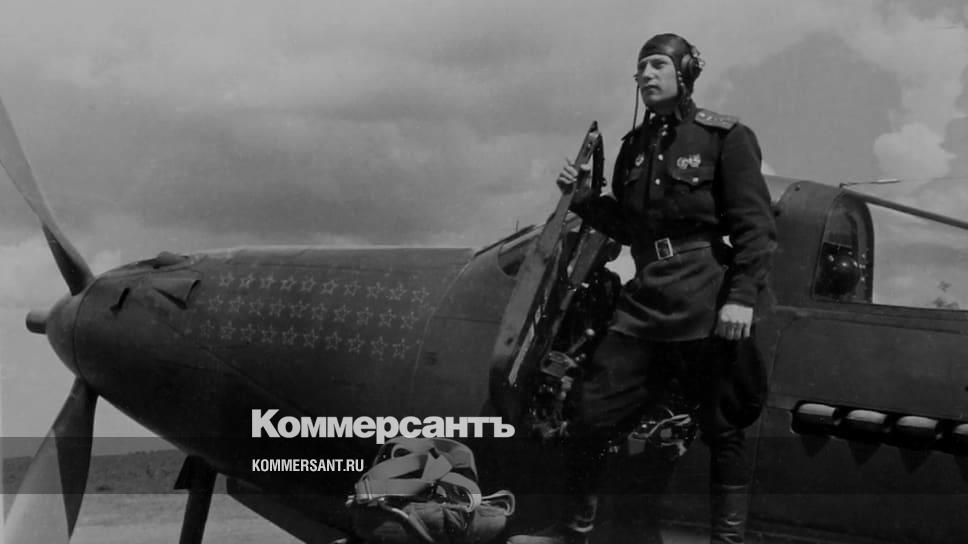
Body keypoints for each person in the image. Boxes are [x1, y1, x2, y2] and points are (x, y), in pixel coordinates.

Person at [509, 33, 776, 544]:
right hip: (645, 303)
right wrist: (582, 197)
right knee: (589, 412)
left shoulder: (725, 137)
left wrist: (741, 297)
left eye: (657, 65)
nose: (646, 75)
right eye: (640, 68)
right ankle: (574, 529)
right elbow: (631, 230)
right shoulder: (633, 148)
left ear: (686, 72)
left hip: (704, 300)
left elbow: (756, 227)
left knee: (724, 427)